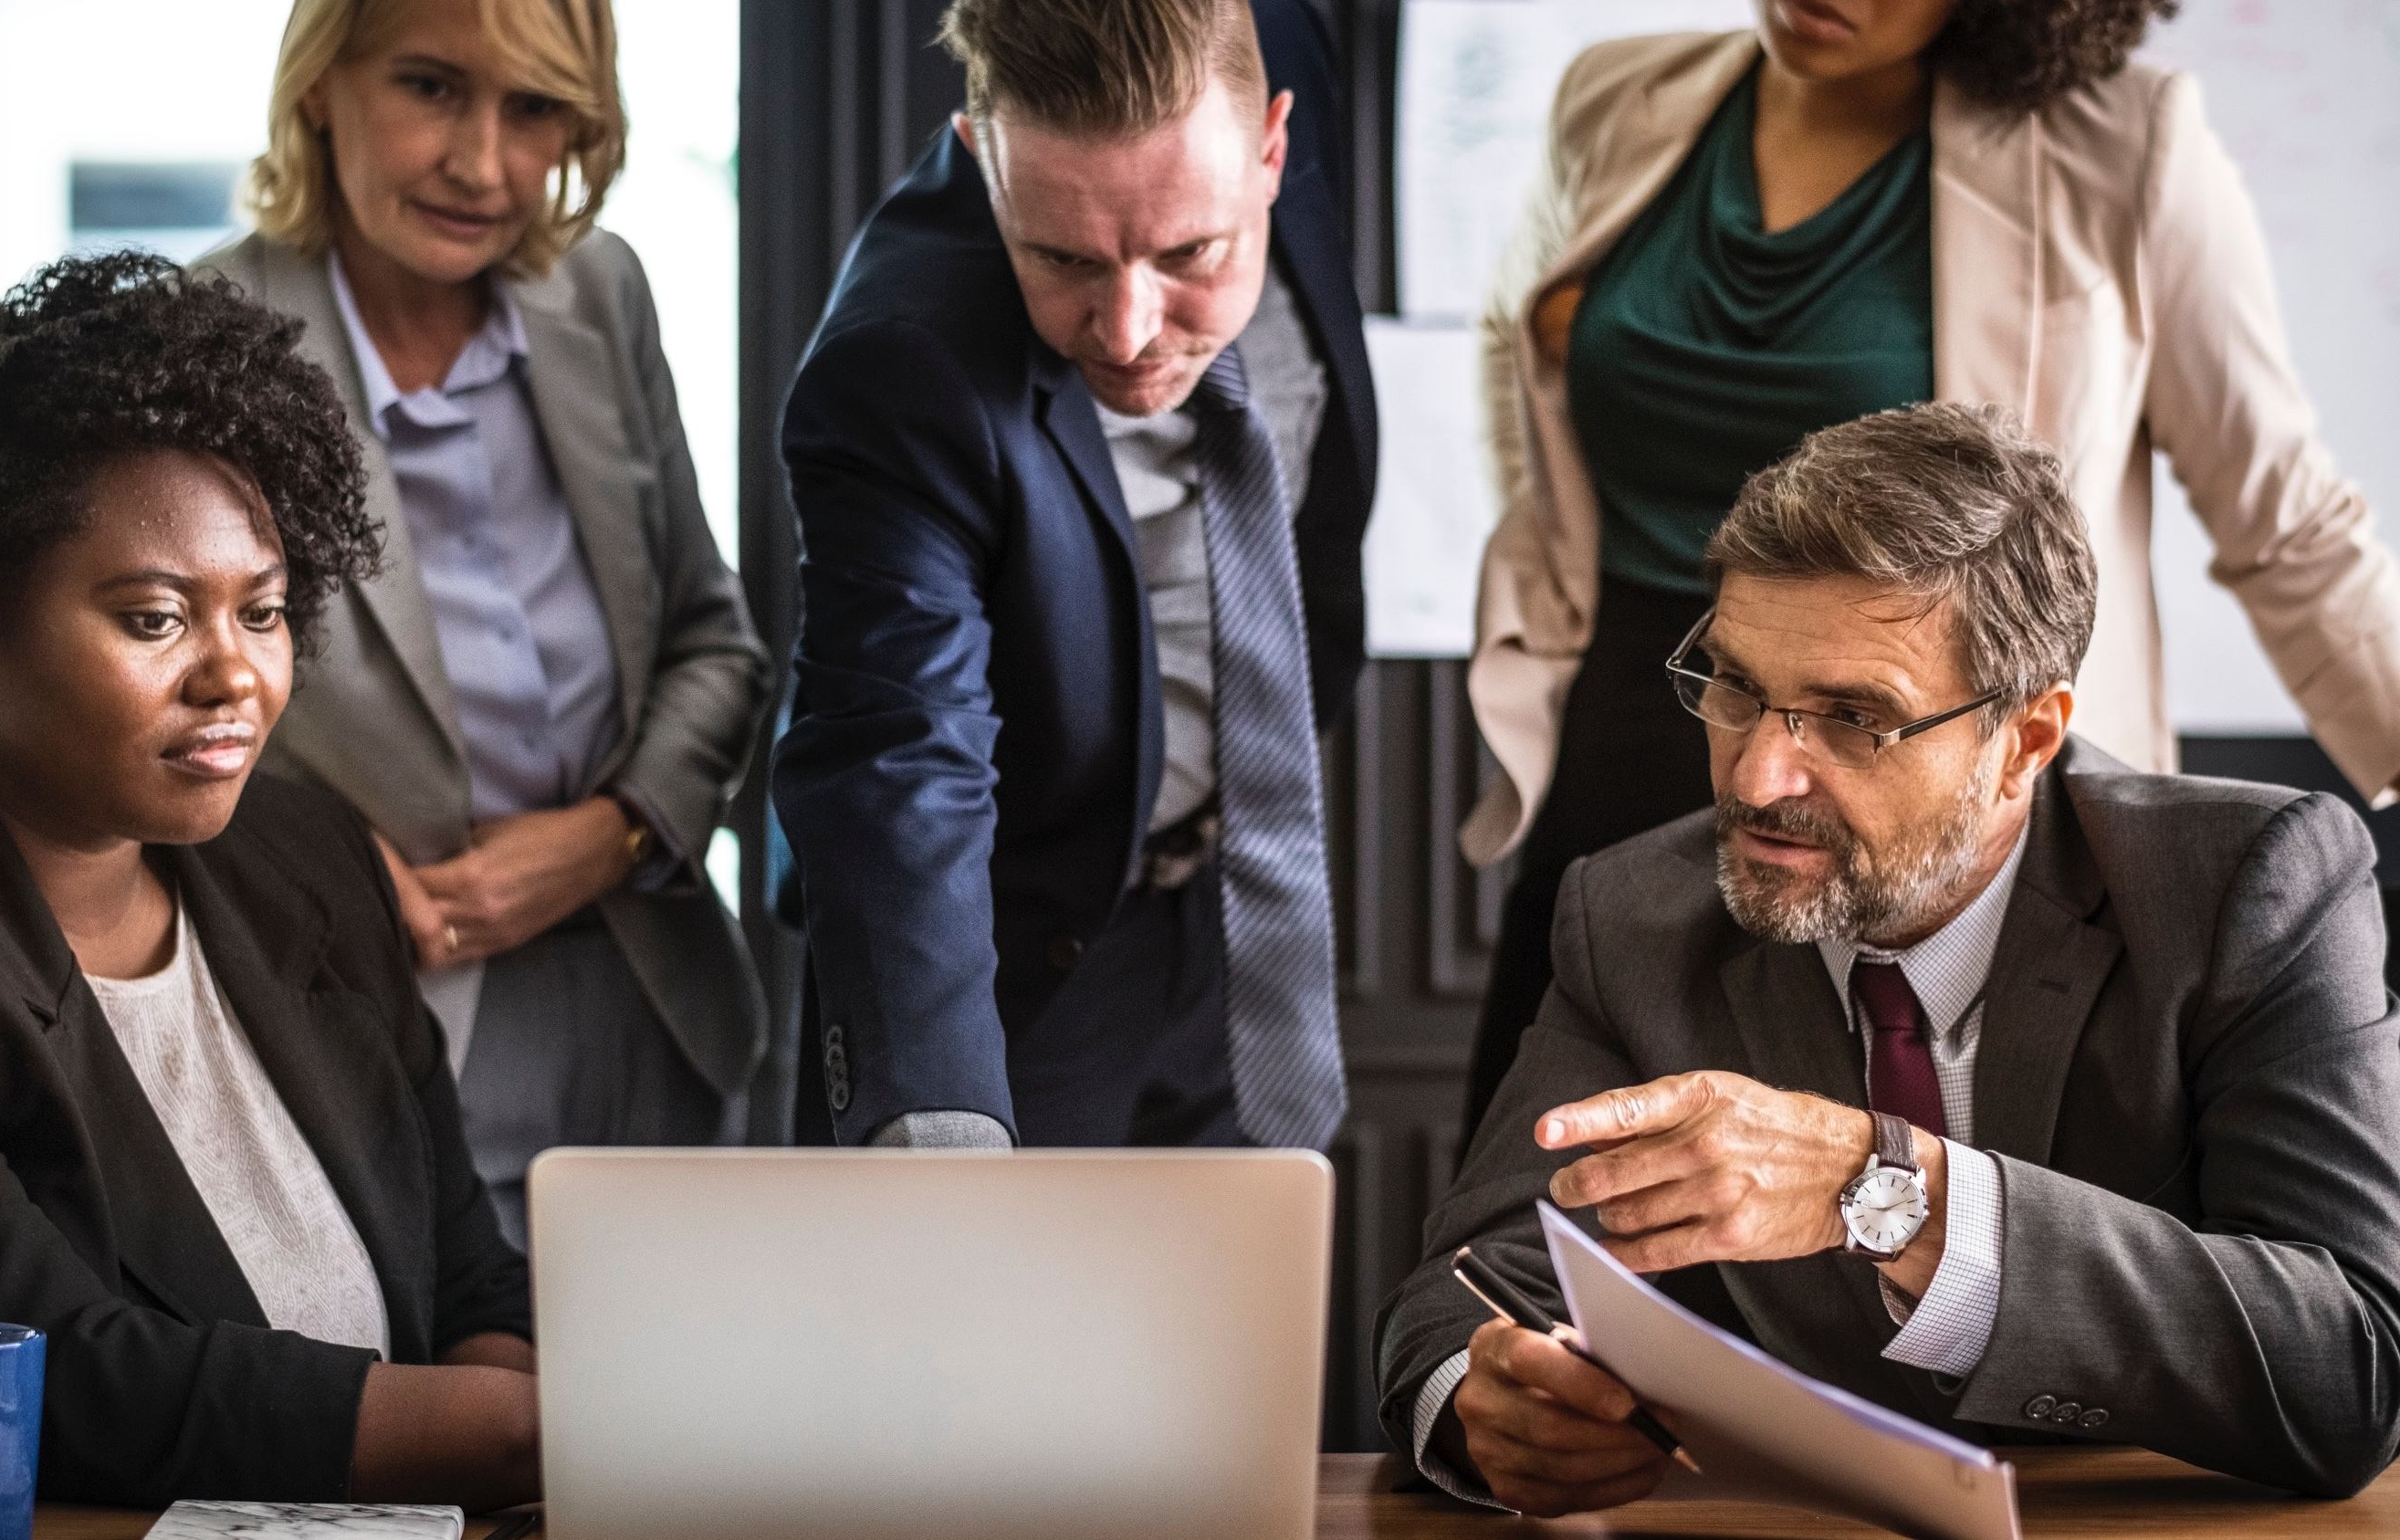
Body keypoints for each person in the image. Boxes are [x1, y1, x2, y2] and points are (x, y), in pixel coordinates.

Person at [1381, 403, 2400, 1513]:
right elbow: (1468, 1288)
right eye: (1735, 688)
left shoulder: (2247, 884)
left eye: (1855, 718)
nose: (1760, 777)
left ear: (2025, 742)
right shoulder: (1630, 912)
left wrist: (1898, 1193)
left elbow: (2352, 1367)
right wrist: (1490, 1406)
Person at [0, 254, 542, 1510]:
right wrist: (519, 1436)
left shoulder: (310, 857)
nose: (234, 674)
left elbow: (466, 1273)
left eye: (265, 610)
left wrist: (506, 1469)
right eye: (155, 618)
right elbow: (57, 1385)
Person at [1458, 0, 2400, 1128]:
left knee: (1917, 1231)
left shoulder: (2122, 144)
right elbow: (1525, 357)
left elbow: (2286, 519)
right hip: (1638, 722)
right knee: (1551, 1208)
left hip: (1922, 777)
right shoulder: (1615, 96)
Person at [201, 0, 772, 1231]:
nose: (486, 164)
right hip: (372, 1009)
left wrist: (614, 831)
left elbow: (712, 640)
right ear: (319, 83)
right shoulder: (205, 341)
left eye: (535, 107)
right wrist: (334, 864)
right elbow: (134, 717)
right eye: (431, 87)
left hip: (657, 1002)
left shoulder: (602, 292)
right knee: (478, 1412)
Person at [775, 0, 1378, 1150]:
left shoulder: (1279, 46)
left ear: (1273, 149)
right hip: (1008, 954)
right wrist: (936, 1119)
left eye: (1191, 252)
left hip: (1244, 904)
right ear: (979, 157)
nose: (1129, 329)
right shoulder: (899, 366)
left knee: (1247, 1317)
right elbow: (896, 751)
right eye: (1063, 258)